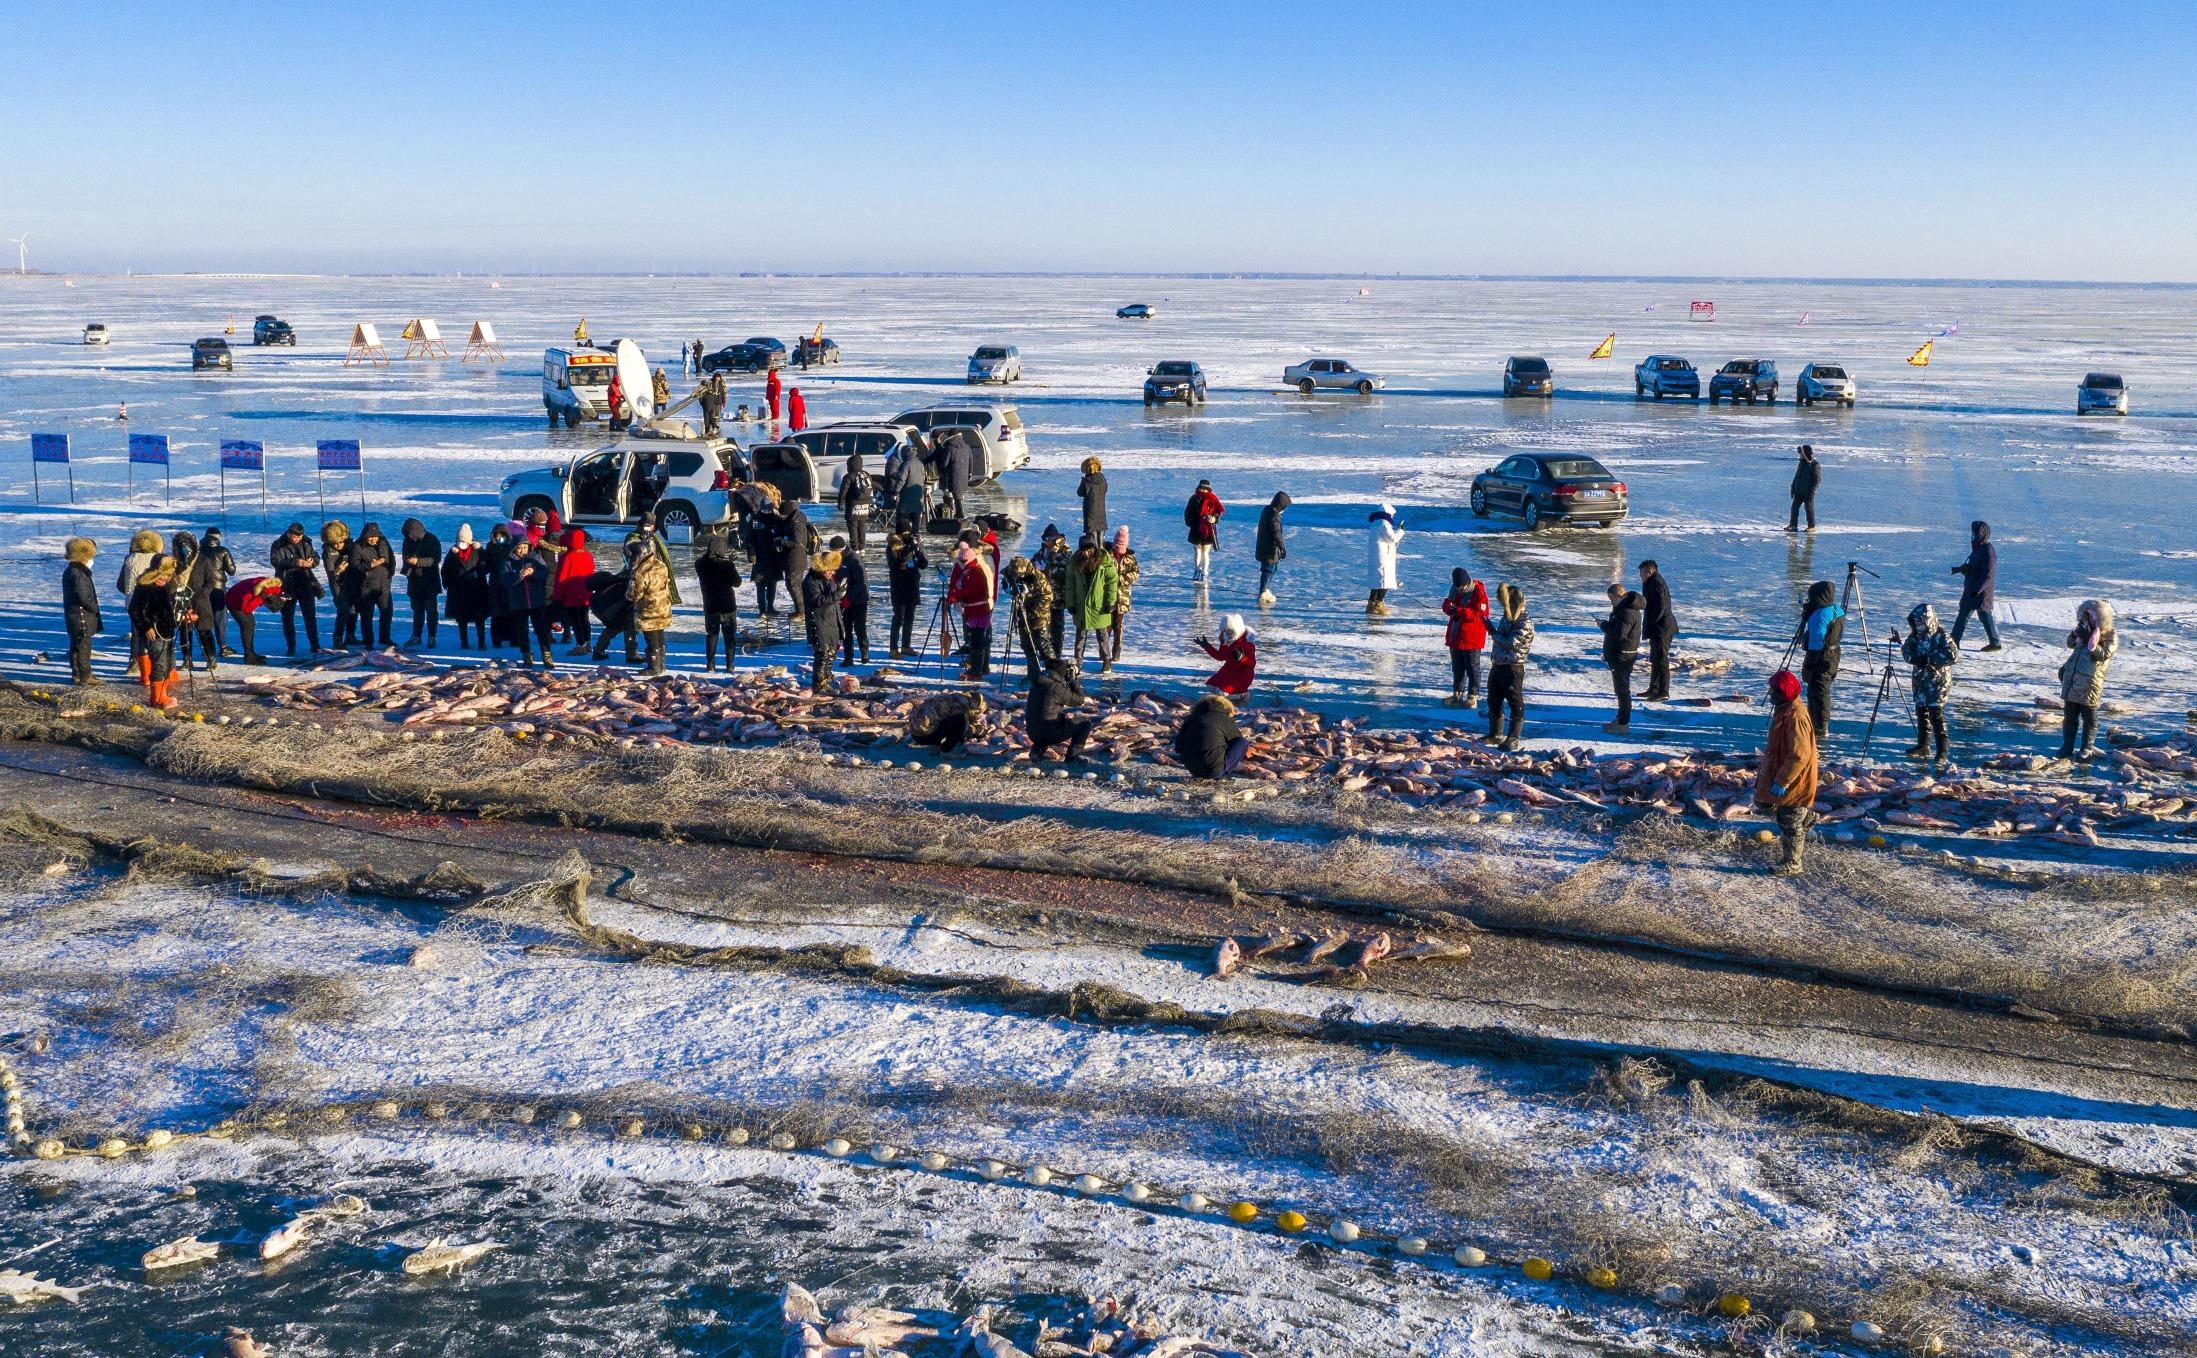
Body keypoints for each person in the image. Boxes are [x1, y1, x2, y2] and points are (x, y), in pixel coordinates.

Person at [1752, 669, 1820, 875]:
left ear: (1784, 693)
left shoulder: (1795, 716)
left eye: (1774, 691)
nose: (1770, 694)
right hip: (1782, 769)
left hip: (1795, 777)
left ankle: (1793, 863)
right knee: (1765, 803)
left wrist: (1783, 781)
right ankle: (1807, 817)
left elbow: (1799, 755)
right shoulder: (1785, 709)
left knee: (1789, 822)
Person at [2056, 599, 2117, 761]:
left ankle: (2086, 749)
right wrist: (2077, 633)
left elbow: (2104, 655)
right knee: (2070, 716)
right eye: (2086, 615)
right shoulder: (2084, 628)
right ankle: (2067, 747)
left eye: (2092, 616)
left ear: (2101, 617)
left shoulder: (2109, 634)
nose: (2088, 619)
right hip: (2073, 678)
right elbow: (2070, 643)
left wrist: (2091, 641)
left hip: (2090, 681)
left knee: (2089, 716)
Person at [1899, 603, 1958, 765]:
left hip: (1937, 683)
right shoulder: (1915, 636)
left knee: (1936, 715)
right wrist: (1914, 658)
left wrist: (1931, 659)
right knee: (1921, 712)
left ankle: (1942, 751)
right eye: (1915, 623)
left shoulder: (1941, 636)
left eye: (1919, 622)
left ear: (1928, 620)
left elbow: (1953, 655)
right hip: (1920, 682)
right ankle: (1923, 745)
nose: (1917, 626)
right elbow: (1907, 652)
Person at [1795, 579, 1844, 739]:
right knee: (1823, 689)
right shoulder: (1837, 610)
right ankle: (1818, 723)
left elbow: (1816, 643)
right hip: (1834, 655)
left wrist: (1808, 665)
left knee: (1818, 691)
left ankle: (1819, 727)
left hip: (1821, 657)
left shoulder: (1820, 615)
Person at [129, 554, 180, 708]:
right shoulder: (145, 586)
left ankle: (163, 694)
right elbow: (135, 609)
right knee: (159, 663)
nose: (169, 577)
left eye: (170, 574)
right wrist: (146, 626)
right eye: (166, 574)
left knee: (165, 662)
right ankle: (157, 698)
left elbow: (166, 607)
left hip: (166, 630)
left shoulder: (163, 586)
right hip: (155, 631)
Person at [1486, 583, 1533, 750]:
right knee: (1493, 699)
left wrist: (1492, 632)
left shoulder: (1524, 621)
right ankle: (1495, 734)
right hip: (1498, 663)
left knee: (1515, 700)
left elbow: (1511, 643)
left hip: (1513, 666)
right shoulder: (1507, 617)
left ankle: (1513, 738)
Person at [1064, 534, 1120, 669]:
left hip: (1099, 605)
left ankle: (1107, 661)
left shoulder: (1104, 561)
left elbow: (1112, 583)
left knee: (1102, 635)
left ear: (1094, 548)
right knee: (1080, 637)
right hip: (1081, 605)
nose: (1086, 552)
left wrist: (1111, 602)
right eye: (1084, 550)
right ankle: (1078, 663)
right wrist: (1070, 603)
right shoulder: (1075, 562)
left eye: (1089, 549)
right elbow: (1070, 584)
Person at [694, 527, 744, 672]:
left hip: (710, 605)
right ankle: (730, 665)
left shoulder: (701, 564)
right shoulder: (727, 565)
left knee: (712, 635)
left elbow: (704, 560)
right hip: (727, 606)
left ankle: (710, 664)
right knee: (730, 636)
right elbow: (737, 582)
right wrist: (729, 561)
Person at [502, 536, 556, 668]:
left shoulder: (535, 557)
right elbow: (505, 581)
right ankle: (526, 654)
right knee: (522, 630)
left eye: (525, 548)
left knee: (541, 629)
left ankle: (546, 654)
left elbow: (544, 573)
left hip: (536, 601)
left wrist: (533, 573)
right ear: (514, 549)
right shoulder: (507, 562)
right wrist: (519, 576)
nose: (522, 551)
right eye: (519, 548)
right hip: (519, 602)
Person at [269, 523, 322, 654]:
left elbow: (316, 557)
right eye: (294, 537)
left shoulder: (306, 542)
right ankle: (291, 647)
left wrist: (312, 562)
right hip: (287, 585)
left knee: (310, 616)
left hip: (305, 583)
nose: (296, 539)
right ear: (288, 533)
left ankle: (315, 646)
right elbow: (275, 562)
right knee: (287, 617)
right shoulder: (278, 544)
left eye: (299, 537)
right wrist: (294, 562)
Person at [1441, 567, 1490, 708]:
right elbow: (1448, 605)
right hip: (1456, 635)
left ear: (1467, 582)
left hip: (1471, 637)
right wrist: (1448, 607)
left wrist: (1459, 611)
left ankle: (1472, 696)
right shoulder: (1454, 589)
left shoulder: (1479, 593)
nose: (1460, 589)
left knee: (1472, 668)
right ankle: (1457, 694)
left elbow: (1480, 615)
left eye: (1462, 587)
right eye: (1458, 587)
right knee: (1457, 667)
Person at [1949, 520, 2001, 651]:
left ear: (1982, 535)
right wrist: (1960, 569)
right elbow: (1973, 567)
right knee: (1965, 614)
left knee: (1983, 614)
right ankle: (1955, 639)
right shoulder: (1979, 548)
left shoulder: (1988, 552)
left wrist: (1977, 590)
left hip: (1980, 592)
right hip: (1972, 589)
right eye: (1972, 534)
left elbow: (1988, 575)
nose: (1972, 537)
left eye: (1975, 534)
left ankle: (1995, 643)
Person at [948, 538, 995, 680]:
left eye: (962, 561)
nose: (961, 564)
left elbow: (970, 591)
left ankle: (977, 670)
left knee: (977, 640)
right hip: (975, 609)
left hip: (979, 610)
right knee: (977, 639)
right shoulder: (968, 570)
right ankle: (979, 668)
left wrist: (957, 595)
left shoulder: (975, 571)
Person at [1598, 581, 1642, 733]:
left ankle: (1623, 724)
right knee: (1621, 689)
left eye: (1612, 599)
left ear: (1618, 596)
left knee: (1622, 690)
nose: (1611, 603)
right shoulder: (1625, 609)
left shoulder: (1627, 612)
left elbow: (1618, 634)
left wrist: (1604, 625)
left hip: (1622, 656)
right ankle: (1620, 719)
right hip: (1622, 654)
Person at [628, 535, 675, 675]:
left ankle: (653, 667)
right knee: (660, 636)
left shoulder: (641, 572)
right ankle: (661, 665)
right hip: (663, 607)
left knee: (651, 639)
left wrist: (629, 586)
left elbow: (634, 595)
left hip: (649, 611)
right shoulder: (660, 564)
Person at [1026, 662, 1092, 762]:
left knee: (1044, 721)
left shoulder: (1036, 684)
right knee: (1085, 723)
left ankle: (1037, 750)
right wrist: (1072, 680)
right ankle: (1072, 758)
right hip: (1050, 733)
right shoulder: (1055, 688)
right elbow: (1079, 700)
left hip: (1032, 733)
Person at [1004, 557, 1057, 681]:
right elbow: (1006, 579)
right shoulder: (1010, 572)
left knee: (1043, 645)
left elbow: (1048, 596)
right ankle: (1033, 674)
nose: (1018, 576)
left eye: (1020, 574)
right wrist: (1009, 589)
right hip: (1022, 613)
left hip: (1039, 616)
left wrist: (1034, 609)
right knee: (1027, 645)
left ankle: (1054, 675)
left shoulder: (1038, 577)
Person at [116, 528, 161, 672]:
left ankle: (134, 663)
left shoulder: (129, 559)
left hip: (133, 604)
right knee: (156, 634)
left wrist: (130, 593)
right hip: (154, 603)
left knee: (136, 633)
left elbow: (121, 585)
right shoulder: (159, 559)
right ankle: (157, 667)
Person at [589, 543, 641, 665]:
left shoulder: (626, 570)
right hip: (614, 607)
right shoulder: (633, 569)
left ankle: (598, 651)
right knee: (630, 627)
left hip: (603, 606)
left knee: (613, 628)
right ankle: (632, 655)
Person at [1174, 693, 1248, 780]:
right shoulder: (1224, 718)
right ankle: (1222, 774)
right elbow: (1236, 740)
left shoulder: (1191, 718)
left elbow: (1178, 745)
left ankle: (1205, 771)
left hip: (1191, 768)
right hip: (1213, 770)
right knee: (1243, 742)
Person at [189, 527, 237, 660]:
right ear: (218, 537)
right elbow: (232, 570)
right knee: (220, 618)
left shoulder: (197, 552)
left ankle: (206, 648)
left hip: (200, 589)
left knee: (203, 618)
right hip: (218, 588)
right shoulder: (223, 551)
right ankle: (223, 647)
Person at [441, 525, 490, 650]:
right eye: (459, 540)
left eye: (463, 541)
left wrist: (479, 572)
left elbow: (486, 566)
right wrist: (446, 582)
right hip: (459, 590)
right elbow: (445, 570)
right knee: (461, 618)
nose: (460, 543)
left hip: (477, 589)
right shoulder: (452, 553)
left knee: (479, 618)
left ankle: (481, 642)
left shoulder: (479, 551)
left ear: (469, 541)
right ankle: (464, 642)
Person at [803, 548, 844, 693]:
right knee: (822, 656)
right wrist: (837, 595)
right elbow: (817, 601)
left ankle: (827, 678)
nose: (832, 573)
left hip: (831, 622)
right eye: (830, 570)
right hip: (819, 624)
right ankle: (819, 685)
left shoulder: (828, 580)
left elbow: (833, 598)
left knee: (831, 655)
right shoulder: (811, 582)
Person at [350, 522, 397, 648]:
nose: (373, 539)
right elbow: (354, 566)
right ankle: (368, 641)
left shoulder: (383, 543)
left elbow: (391, 558)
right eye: (370, 537)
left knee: (387, 612)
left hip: (384, 585)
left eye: (375, 536)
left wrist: (390, 573)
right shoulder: (357, 546)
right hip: (367, 587)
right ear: (365, 536)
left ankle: (385, 638)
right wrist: (369, 565)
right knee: (367, 616)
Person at [62, 537, 101, 685]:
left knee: (76, 644)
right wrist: (94, 608)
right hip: (81, 616)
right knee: (84, 646)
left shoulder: (71, 570)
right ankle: (85, 675)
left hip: (74, 616)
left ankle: (76, 672)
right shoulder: (78, 573)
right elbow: (84, 596)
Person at [398, 519, 442, 648]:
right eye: (408, 534)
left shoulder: (432, 539)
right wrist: (407, 560)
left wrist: (417, 562)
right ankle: (416, 636)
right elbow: (405, 555)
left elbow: (435, 559)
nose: (410, 537)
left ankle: (431, 637)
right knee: (417, 610)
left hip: (430, 581)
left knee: (431, 611)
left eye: (411, 534)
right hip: (414, 581)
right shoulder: (407, 540)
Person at [221, 575, 284, 666]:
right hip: (234, 601)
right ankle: (248, 657)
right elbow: (246, 609)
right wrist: (259, 600)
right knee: (247, 626)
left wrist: (282, 596)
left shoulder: (270, 588)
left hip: (240, 595)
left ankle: (251, 653)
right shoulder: (258, 595)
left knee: (252, 624)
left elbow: (278, 592)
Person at [551, 527, 595, 655]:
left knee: (575, 621)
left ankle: (580, 645)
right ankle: (588, 643)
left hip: (571, 595)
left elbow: (561, 578)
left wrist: (557, 596)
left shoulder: (567, 557)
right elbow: (591, 573)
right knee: (584, 618)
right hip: (585, 593)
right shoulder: (588, 555)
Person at [885, 529, 928, 660]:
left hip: (912, 586)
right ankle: (893, 648)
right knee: (899, 618)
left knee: (910, 617)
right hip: (899, 587)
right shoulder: (893, 546)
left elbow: (923, 565)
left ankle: (906, 646)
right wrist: (910, 549)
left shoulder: (912, 547)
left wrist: (918, 550)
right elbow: (899, 563)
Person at [1638, 559, 1676, 701]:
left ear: (1650, 571)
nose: (1640, 575)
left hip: (1663, 628)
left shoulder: (1657, 584)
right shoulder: (1650, 582)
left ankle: (1663, 692)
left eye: (1641, 572)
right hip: (1656, 627)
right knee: (1655, 658)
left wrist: (1653, 623)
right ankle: (1653, 688)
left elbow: (1661, 607)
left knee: (1661, 660)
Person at [907, 690, 986, 755]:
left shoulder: (953, 698)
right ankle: (947, 751)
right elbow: (963, 728)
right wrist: (976, 730)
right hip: (925, 736)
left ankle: (936, 745)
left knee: (945, 720)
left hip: (915, 735)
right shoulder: (960, 705)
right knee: (961, 721)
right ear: (975, 703)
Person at [833, 535, 871, 665]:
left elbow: (860, 582)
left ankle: (864, 653)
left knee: (860, 628)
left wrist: (849, 598)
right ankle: (848, 657)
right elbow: (837, 576)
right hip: (844, 599)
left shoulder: (854, 559)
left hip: (859, 600)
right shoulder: (838, 558)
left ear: (840, 549)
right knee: (846, 629)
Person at [1037, 525, 1073, 661]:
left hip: (1058, 595)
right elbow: (1033, 564)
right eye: (1045, 539)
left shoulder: (1065, 551)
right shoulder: (1042, 551)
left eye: (1049, 539)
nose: (1046, 541)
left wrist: (1048, 571)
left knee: (1057, 626)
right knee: (1043, 625)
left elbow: (1068, 572)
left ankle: (1056, 653)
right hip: (1043, 595)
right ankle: (1046, 651)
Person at [1198, 614, 1256, 696]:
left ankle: (1240, 696)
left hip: (1242, 675)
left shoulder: (1247, 644)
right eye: (1225, 631)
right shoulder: (1227, 641)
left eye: (1229, 631)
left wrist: (1242, 658)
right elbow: (1220, 656)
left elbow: (1252, 664)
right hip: (1228, 671)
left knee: (1221, 691)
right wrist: (1207, 647)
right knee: (1210, 686)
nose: (1226, 634)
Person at [1106, 526, 1138, 674]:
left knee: (1118, 625)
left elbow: (1135, 573)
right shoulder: (1107, 555)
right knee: (1106, 625)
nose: (1119, 549)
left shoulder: (1130, 558)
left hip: (1122, 597)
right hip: (1108, 596)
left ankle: (1116, 650)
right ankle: (1104, 651)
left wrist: (1122, 579)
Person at [321, 521, 357, 647]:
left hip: (352, 583)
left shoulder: (351, 546)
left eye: (341, 542)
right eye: (335, 543)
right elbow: (330, 574)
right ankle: (338, 638)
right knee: (343, 610)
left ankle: (350, 636)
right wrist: (337, 571)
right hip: (337, 585)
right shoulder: (327, 552)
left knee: (353, 610)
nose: (338, 545)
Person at [483, 522, 516, 650]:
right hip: (495, 584)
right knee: (496, 614)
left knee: (511, 613)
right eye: (496, 536)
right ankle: (497, 640)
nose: (499, 538)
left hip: (509, 583)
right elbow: (486, 565)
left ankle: (514, 638)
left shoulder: (512, 547)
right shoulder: (491, 547)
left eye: (502, 535)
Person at [1254, 492, 1291, 606]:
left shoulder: (1267, 510)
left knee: (1272, 569)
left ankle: (1265, 590)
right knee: (1268, 570)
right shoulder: (1274, 516)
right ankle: (1263, 592)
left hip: (1264, 546)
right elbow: (1277, 534)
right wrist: (1282, 548)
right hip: (1269, 549)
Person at [1184, 480, 1224, 581]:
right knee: (1197, 552)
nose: (1203, 490)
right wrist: (1191, 523)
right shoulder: (1193, 499)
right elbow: (1188, 512)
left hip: (1208, 530)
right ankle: (1197, 570)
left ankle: (1205, 572)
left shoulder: (1213, 499)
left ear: (1208, 490)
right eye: (1201, 488)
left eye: (1205, 489)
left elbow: (1218, 511)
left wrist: (1214, 518)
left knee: (1205, 552)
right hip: (1196, 529)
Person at [1366, 503, 1402, 615]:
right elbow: (1392, 538)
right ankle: (1378, 604)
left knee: (1377, 581)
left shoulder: (1375, 524)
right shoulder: (1383, 523)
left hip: (1377, 556)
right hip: (1384, 557)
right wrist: (1400, 531)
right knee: (1385, 581)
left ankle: (1371, 604)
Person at [838, 453, 876, 551]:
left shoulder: (849, 476)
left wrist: (840, 502)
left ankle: (855, 548)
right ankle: (862, 547)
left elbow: (843, 490)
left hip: (853, 505)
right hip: (864, 505)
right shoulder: (866, 474)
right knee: (862, 526)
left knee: (853, 527)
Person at [1787, 445, 1821, 532]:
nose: (1800, 456)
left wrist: (1812, 491)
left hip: (1808, 492)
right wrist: (1793, 487)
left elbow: (1817, 480)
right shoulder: (1801, 463)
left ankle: (1811, 526)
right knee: (1794, 507)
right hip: (1799, 490)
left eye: (1802, 454)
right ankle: (1793, 525)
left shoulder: (1815, 465)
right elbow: (1797, 476)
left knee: (1808, 508)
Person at [1077, 457, 1109, 544]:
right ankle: (1102, 552)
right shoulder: (1103, 479)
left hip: (1090, 512)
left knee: (1092, 536)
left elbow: (1080, 493)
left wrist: (1082, 482)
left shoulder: (1086, 482)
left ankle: (1095, 554)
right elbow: (1105, 490)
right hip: (1101, 511)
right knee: (1101, 534)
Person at [698, 372, 725, 437]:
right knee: (711, 417)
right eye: (716, 377)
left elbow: (723, 392)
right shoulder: (710, 382)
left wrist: (723, 401)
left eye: (718, 377)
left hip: (717, 401)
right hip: (712, 401)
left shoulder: (722, 384)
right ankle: (713, 428)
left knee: (714, 416)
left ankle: (714, 428)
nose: (717, 378)